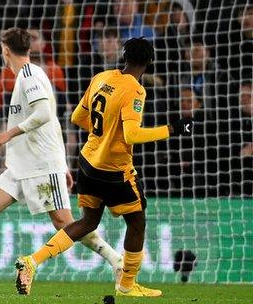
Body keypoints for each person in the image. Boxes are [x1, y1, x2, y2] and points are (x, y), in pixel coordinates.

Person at [14, 38, 193, 297]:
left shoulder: (102, 77)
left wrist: (103, 134)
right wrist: (171, 129)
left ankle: (31, 261)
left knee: (88, 221)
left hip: (87, 163)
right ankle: (127, 286)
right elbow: (131, 135)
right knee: (137, 223)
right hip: (113, 170)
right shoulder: (135, 90)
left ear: (124, 56)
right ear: (149, 62)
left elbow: (77, 117)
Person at [0, 27, 121, 290]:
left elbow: (43, 114)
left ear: (5, 50)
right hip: (21, 165)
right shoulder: (26, 76)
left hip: (40, 165)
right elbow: (53, 124)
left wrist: (8, 134)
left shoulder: (30, 75)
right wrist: (63, 163)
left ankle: (116, 260)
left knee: (63, 222)